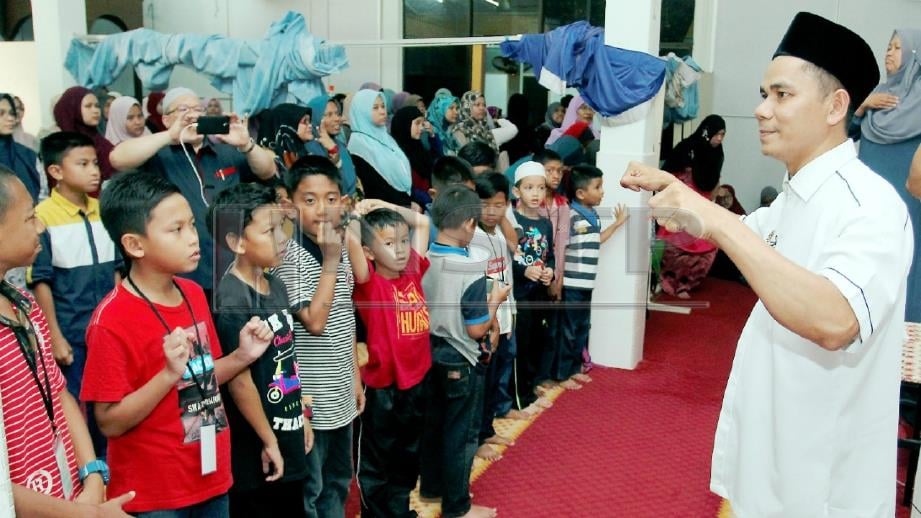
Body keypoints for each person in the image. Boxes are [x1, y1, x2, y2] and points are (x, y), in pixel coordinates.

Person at [621, 12, 909, 516]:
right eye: (763, 93)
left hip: (821, 489)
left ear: (835, 106)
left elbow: (835, 319)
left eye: (781, 95)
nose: (760, 110)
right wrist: (676, 198)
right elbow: (733, 237)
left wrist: (715, 217)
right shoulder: (791, 202)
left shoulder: (870, 206)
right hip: (768, 470)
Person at [81, 171, 274, 516]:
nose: (193, 238)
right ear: (135, 244)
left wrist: (242, 356)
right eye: (176, 230)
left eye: (191, 224)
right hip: (157, 493)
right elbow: (109, 421)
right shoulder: (110, 320)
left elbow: (202, 375)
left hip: (210, 475)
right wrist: (166, 375)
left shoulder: (193, 293)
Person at [0, 167, 135, 517]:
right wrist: (88, 514)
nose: (40, 227)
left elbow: (59, 392)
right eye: (30, 218)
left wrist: (92, 475)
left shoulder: (22, 303)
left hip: (68, 495)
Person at [108, 87, 277, 299]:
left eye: (198, 108)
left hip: (235, 267)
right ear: (167, 120)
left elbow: (268, 170)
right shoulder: (158, 155)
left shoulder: (226, 151)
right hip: (185, 272)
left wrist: (246, 144)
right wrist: (170, 136)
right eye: (183, 109)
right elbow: (117, 158)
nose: (193, 114)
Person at [270, 156, 367, 517]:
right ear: (289, 206)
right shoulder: (287, 257)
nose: (322, 209)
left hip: (340, 385)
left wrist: (355, 375)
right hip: (309, 396)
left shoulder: (337, 245)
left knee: (340, 478)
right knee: (311, 489)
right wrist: (329, 259)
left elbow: (345, 312)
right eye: (309, 200)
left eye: (331, 198)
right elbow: (313, 321)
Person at [209, 183, 310, 518]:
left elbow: (287, 358)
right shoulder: (231, 300)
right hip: (258, 444)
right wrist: (268, 440)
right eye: (270, 231)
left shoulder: (275, 283)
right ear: (237, 242)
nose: (282, 238)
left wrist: (301, 417)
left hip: (287, 423)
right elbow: (239, 381)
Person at [28, 132, 121, 458]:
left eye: (95, 163)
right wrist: (54, 335)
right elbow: (41, 281)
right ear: (55, 172)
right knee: (79, 403)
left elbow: (117, 271)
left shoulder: (104, 210)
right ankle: (91, 472)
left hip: (109, 327)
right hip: (72, 329)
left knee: (114, 398)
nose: (95, 170)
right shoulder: (43, 217)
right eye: (83, 164)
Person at [419, 184, 509, 518]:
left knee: (434, 424)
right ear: (470, 224)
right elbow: (475, 328)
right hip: (461, 356)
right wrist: (496, 302)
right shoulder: (470, 268)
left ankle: (430, 488)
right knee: (462, 434)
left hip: (431, 351)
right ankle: (457, 506)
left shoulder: (426, 258)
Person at [351, 200, 431, 517]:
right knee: (377, 459)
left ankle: (399, 510)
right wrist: (358, 217)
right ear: (370, 252)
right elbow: (352, 239)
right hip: (382, 385)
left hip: (416, 381)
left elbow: (422, 224)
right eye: (387, 244)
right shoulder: (370, 283)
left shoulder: (411, 270)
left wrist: (383, 205)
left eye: (402, 241)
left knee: (408, 453)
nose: (399, 250)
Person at [852, 28, 921, 322]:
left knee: (907, 267)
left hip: (909, 204)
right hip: (867, 204)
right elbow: (844, 135)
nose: (888, 53)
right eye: (888, 46)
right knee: (866, 262)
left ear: (914, 56)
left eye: (896, 48)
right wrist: (863, 106)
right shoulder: (878, 94)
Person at [470, 173, 527, 464]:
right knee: (482, 385)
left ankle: (488, 429)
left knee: (494, 383)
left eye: (499, 205)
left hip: (505, 317)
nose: (491, 211)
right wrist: (491, 323)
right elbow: (480, 285)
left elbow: (515, 245)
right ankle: (478, 439)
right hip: (488, 321)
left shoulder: (498, 232)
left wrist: (504, 216)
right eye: (485, 205)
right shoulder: (474, 236)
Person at [557, 165, 627, 389]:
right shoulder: (571, 215)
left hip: (587, 284)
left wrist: (616, 225)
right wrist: (558, 281)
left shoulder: (593, 216)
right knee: (568, 330)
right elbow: (560, 248)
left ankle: (576, 368)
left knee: (581, 327)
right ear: (580, 193)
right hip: (572, 284)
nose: (602, 191)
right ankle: (563, 374)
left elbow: (596, 240)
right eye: (597, 187)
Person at [656, 115, 727, 299]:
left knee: (707, 245)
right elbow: (669, 174)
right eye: (717, 134)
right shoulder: (687, 148)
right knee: (676, 246)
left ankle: (686, 283)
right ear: (706, 132)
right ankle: (669, 282)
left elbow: (713, 182)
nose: (719, 139)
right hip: (681, 206)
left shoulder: (718, 154)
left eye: (722, 135)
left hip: (701, 205)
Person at [510, 162, 555, 409]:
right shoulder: (512, 221)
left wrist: (550, 270)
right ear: (517, 192)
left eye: (540, 188)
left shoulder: (545, 223)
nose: (536, 194)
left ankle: (530, 384)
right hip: (519, 295)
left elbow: (551, 255)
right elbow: (507, 258)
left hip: (539, 293)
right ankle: (519, 397)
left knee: (538, 340)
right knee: (522, 344)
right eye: (529, 188)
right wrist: (524, 270)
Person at [348, 89, 413, 207]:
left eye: (383, 106)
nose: (383, 112)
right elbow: (375, 185)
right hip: (383, 210)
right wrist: (405, 206)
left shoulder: (385, 137)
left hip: (402, 203)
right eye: (375, 108)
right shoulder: (359, 143)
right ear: (362, 111)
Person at [52, 87, 114, 190]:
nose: (95, 111)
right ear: (73, 109)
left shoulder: (101, 142)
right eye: (88, 106)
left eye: (97, 106)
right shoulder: (58, 145)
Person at [306, 95, 357, 197]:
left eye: (337, 113)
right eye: (329, 115)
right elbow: (338, 189)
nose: (337, 119)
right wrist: (333, 152)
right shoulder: (309, 150)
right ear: (315, 117)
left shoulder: (341, 146)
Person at [451, 91, 509, 172]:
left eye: (484, 105)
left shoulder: (486, 131)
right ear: (467, 106)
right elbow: (463, 160)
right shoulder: (460, 130)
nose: (482, 108)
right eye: (477, 105)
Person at [391, 105, 435, 208]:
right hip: (413, 208)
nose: (421, 128)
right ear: (404, 124)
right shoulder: (396, 155)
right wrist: (427, 198)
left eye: (422, 123)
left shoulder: (419, 148)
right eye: (417, 123)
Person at [255, 103, 313, 170]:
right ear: (290, 124)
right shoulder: (270, 157)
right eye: (305, 121)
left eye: (309, 121)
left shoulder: (303, 152)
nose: (310, 125)